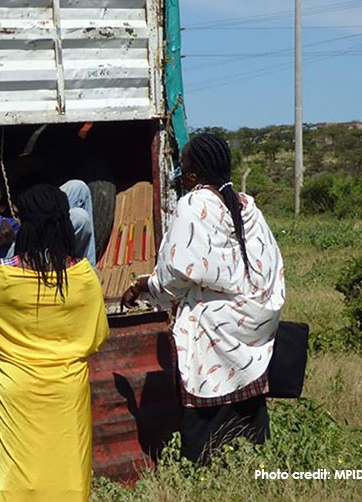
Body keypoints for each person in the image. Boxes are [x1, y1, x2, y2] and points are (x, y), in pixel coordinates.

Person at [121, 132, 285, 464]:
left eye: (183, 167)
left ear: (193, 175)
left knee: (205, 419)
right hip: (247, 329)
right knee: (247, 413)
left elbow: (176, 273)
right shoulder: (247, 206)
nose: (180, 174)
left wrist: (143, 286)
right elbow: (270, 268)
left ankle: (202, 477)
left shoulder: (194, 205)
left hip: (211, 333)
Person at [0, 184, 109, 501]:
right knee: (67, 474)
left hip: (16, 389)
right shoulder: (84, 277)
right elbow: (98, 336)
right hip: (68, 390)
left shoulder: (2, 276)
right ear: (65, 223)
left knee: (19, 473)